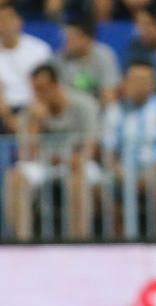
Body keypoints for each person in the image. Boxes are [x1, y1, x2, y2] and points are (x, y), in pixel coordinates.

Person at [4, 62, 99, 240]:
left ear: (56, 85)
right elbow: (27, 156)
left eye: (42, 88)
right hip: (44, 165)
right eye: (34, 90)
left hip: (78, 163)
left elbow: (89, 148)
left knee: (78, 176)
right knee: (15, 176)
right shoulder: (31, 111)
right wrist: (35, 123)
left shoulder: (84, 105)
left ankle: (78, 240)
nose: (38, 94)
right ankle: (21, 241)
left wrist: (71, 159)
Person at [100, 59, 156, 239]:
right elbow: (108, 149)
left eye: (143, 81)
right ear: (125, 83)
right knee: (102, 191)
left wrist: (155, 172)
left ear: (153, 85)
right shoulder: (115, 109)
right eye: (133, 80)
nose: (138, 85)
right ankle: (120, 241)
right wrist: (118, 171)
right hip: (122, 172)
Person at [0, 3, 52, 132]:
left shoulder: (39, 49)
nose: (4, 24)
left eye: (7, 19)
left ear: (19, 21)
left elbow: (48, 84)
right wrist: (5, 113)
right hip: (4, 107)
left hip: (33, 107)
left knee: (40, 112)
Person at [55, 16, 121, 106]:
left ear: (88, 38)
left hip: (99, 109)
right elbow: (58, 94)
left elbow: (109, 92)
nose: (66, 41)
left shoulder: (104, 55)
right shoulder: (59, 59)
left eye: (71, 37)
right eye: (65, 37)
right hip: (70, 110)